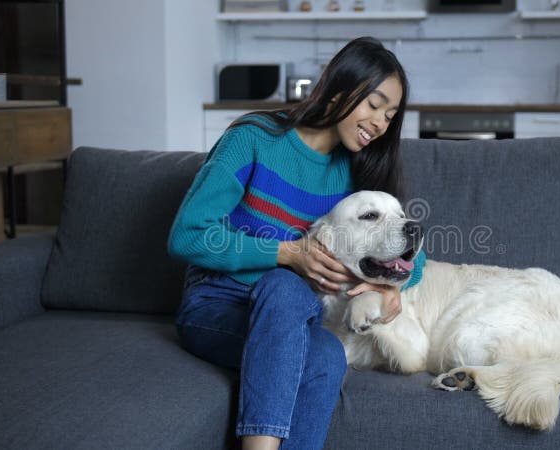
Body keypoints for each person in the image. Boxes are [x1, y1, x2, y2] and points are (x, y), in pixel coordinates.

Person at [167, 37, 425, 450]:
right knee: (285, 283)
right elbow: (188, 234)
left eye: (390, 116)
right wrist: (286, 254)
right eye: (374, 105)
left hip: (299, 317)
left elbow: (415, 253)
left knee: (327, 355)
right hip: (217, 307)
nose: (380, 123)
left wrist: (390, 286)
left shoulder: (357, 172)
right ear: (338, 89)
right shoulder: (254, 138)